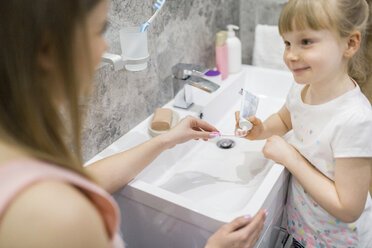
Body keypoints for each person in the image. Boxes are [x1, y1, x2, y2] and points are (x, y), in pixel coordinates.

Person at [0, 0, 267, 247]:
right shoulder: (65, 220)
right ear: (49, 49)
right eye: (99, 30)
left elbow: (85, 180)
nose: (105, 47)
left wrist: (166, 140)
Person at [236, 0, 372, 247]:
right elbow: (285, 119)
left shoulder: (355, 119)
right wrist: (261, 130)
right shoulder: (302, 88)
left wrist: (291, 157)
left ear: (350, 44)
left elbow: (348, 208)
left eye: (306, 42)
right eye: (287, 42)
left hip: (338, 241)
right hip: (302, 228)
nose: (290, 55)